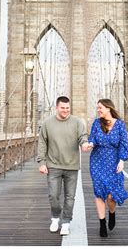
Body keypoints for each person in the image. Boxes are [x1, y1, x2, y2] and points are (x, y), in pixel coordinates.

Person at [37, 96, 88, 236]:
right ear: (56, 108)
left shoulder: (77, 122)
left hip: (72, 166)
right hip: (53, 165)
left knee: (70, 197)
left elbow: (82, 136)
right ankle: (55, 218)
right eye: (62, 108)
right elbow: (42, 143)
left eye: (67, 108)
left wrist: (84, 143)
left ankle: (66, 222)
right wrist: (41, 162)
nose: (65, 110)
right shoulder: (47, 123)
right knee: (53, 195)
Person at [85, 98, 128, 237]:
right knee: (99, 193)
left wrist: (122, 160)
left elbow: (124, 143)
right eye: (97, 108)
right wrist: (90, 144)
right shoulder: (97, 123)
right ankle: (102, 223)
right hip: (97, 161)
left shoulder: (120, 125)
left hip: (114, 162)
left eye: (100, 108)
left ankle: (112, 213)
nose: (98, 110)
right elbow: (92, 138)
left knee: (111, 196)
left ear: (108, 108)